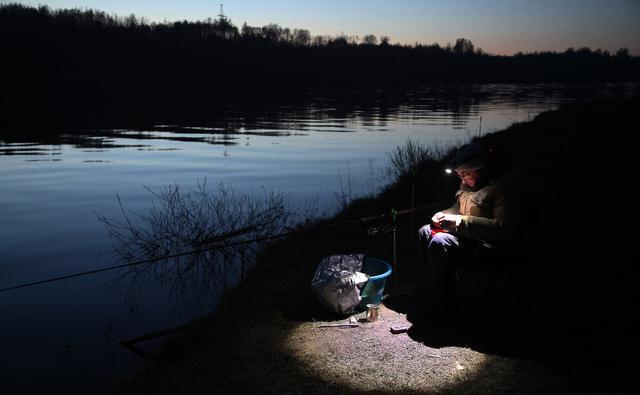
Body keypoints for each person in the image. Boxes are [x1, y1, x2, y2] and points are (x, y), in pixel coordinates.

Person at [417, 142, 530, 317]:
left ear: (482, 168)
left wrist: (458, 222)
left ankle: (443, 307)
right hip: (471, 235)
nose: (462, 180)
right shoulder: (471, 179)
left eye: (465, 174)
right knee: (425, 231)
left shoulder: (507, 183)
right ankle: (433, 291)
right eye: (459, 175)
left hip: (491, 247)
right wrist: (444, 214)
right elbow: (460, 206)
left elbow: (503, 229)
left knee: (441, 241)